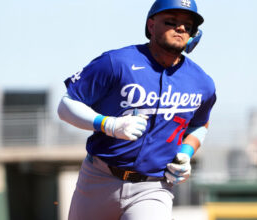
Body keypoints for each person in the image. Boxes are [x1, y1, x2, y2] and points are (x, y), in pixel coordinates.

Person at [57, 0, 216, 219]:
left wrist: (186, 153)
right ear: (151, 26)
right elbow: (66, 106)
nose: (180, 28)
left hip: (153, 187)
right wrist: (108, 124)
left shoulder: (201, 82)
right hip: (99, 178)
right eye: (171, 21)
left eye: (187, 25)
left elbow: (200, 123)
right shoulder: (116, 62)